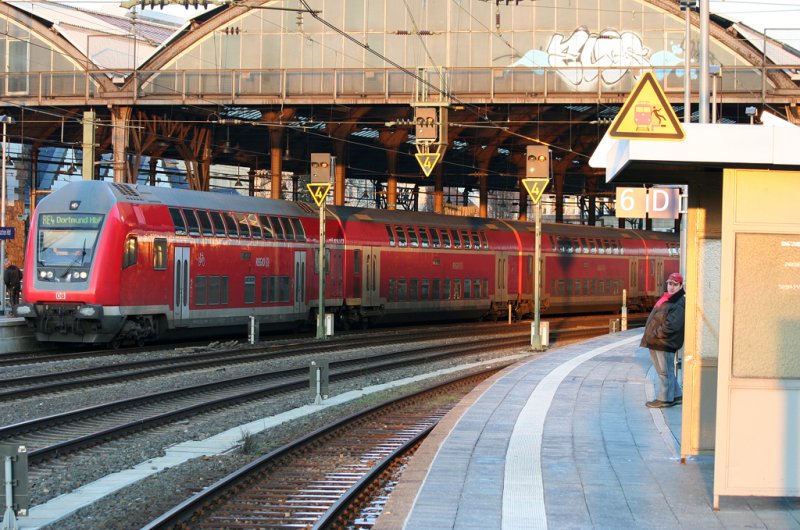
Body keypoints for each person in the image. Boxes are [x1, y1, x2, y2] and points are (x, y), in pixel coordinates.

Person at [641, 272, 685, 408]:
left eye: (675, 285)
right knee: (667, 371)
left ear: (681, 286)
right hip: (659, 341)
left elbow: (672, 325)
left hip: (664, 342)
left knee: (664, 371)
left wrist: (655, 334)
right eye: (670, 284)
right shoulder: (668, 299)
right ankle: (677, 395)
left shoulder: (677, 302)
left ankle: (665, 399)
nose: (671, 287)